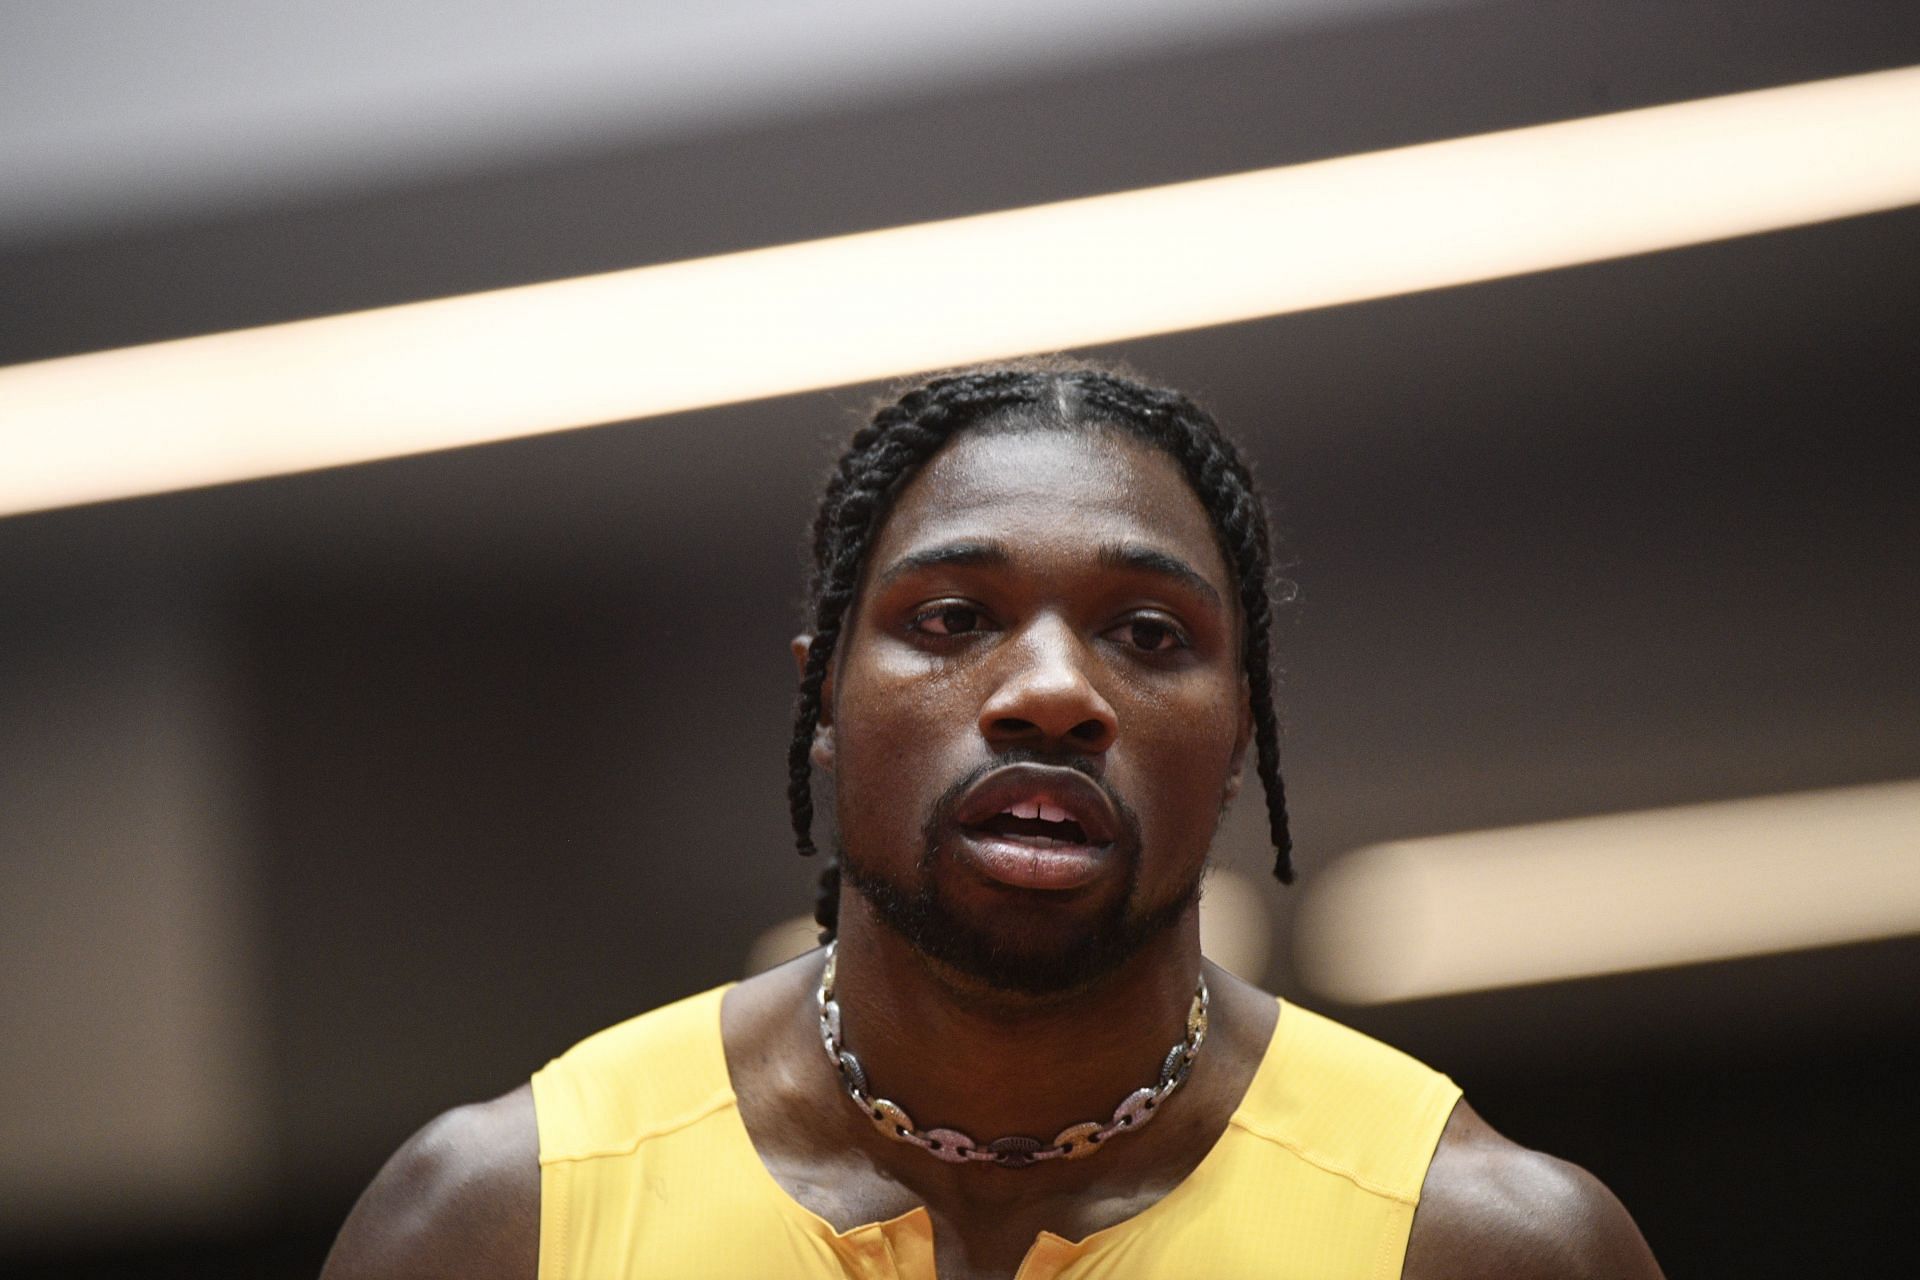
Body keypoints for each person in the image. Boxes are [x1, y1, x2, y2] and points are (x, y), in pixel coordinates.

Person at [321, 362, 1665, 1279]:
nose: (1052, 695)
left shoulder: (1474, 1245)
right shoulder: (506, 1223)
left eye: (1146, 634)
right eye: (954, 620)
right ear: (827, 699)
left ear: (1241, 729)